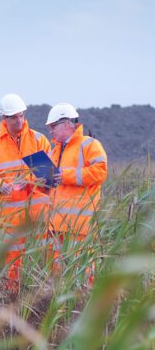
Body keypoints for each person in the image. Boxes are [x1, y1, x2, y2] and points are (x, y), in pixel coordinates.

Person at [0, 94, 51, 291]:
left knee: (45, 251)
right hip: (10, 211)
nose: (19, 121)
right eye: (13, 117)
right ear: (4, 118)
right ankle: (13, 295)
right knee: (13, 256)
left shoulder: (38, 139)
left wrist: (30, 182)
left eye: (21, 116)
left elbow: (48, 177)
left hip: (38, 210)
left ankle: (45, 292)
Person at [45, 103, 108, 283]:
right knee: (58, 276)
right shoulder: (54, 149)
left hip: (79, 226)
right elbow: (53, 182)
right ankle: (61, 308)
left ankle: (85, 307)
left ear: (67, 124)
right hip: (56, 226)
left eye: (53, 126)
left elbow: (100, 173)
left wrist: (65, 175)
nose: (50, 130)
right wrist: (43, 180)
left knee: (83, 273)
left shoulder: (90, 144)